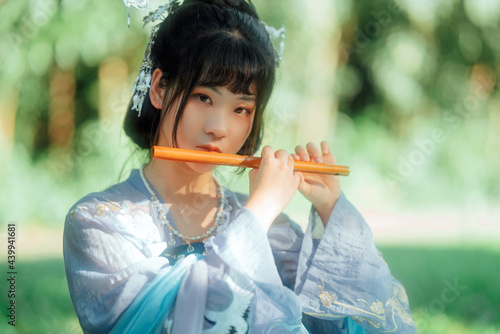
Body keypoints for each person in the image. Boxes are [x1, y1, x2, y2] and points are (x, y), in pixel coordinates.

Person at [63, 0, 416, 333]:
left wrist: (330, 210)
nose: (220, 127)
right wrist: (259, 212)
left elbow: (360, 323)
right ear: (158, 88)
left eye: (241, 109)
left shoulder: (270, 227)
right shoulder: (98, 222)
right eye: (203, 97)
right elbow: (179, 323)